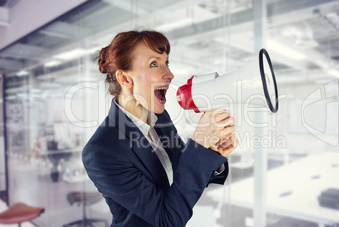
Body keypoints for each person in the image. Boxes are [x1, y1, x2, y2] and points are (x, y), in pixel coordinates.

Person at [82, 30, 237, 227]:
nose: (170, 74)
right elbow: (166, 220)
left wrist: (211, 151)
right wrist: (198, 142)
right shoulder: (101, 151)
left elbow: (183, 175)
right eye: (154, 64)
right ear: (125, 79)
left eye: (166, 63)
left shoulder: (160, 117)